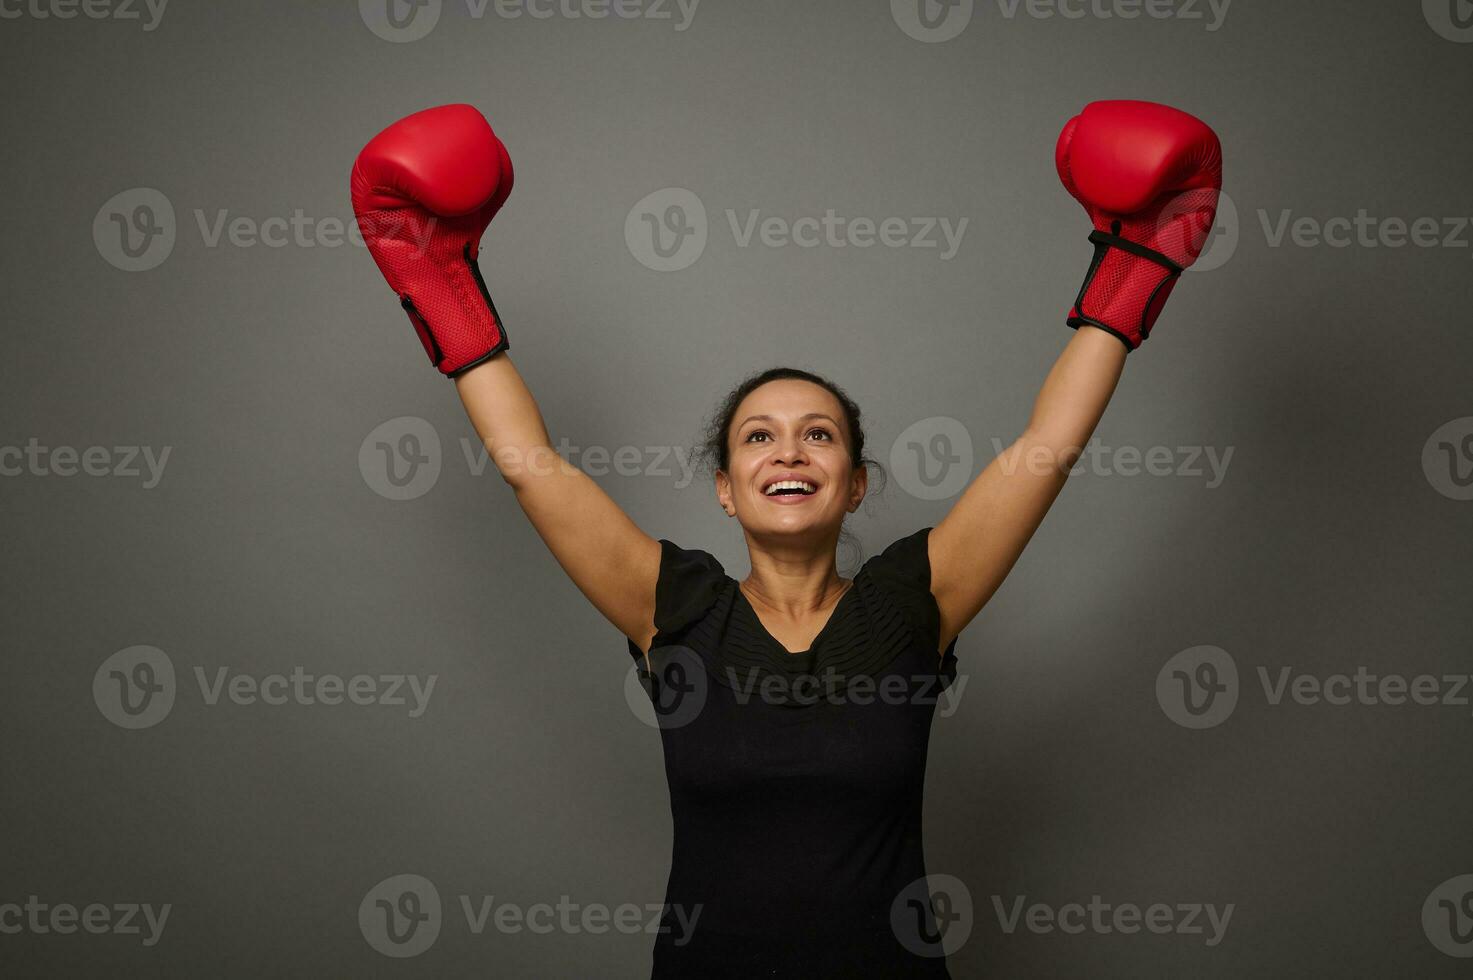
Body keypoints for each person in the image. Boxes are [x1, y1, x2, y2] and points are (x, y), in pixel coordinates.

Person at [350, 99, 1222, 978]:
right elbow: (530, 465)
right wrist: (442, 282)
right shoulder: (674, 609)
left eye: (819, 434)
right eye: (758, 436)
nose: (789, 451)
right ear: (726, 490)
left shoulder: (913, 601)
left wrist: (1131, 266)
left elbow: (1045, 452)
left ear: (855, 483)